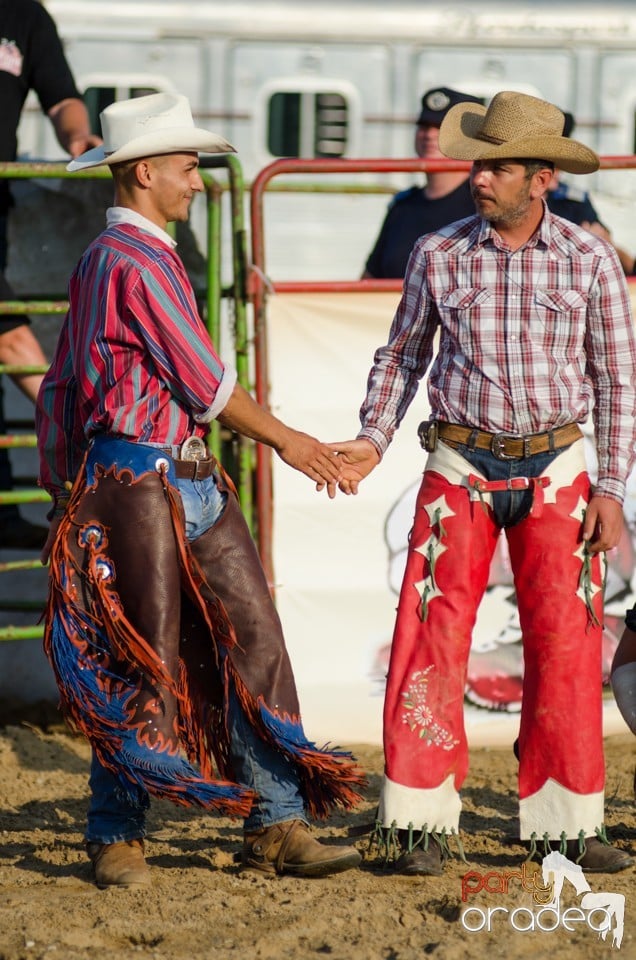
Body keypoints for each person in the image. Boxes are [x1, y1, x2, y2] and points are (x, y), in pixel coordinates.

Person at [35, 92, 364, 888]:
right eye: (186, 168)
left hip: (159, 473)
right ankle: (134, 829)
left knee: (216, 644)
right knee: (151, 653)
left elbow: (66, 387)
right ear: (145, 173)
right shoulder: (132, 263)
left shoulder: (123, 260)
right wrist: (294, 443)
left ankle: (262, 820)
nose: (196, 182)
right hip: (152, 478)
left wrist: (62, 483)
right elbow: (206, 382)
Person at [330, 91, 636, 876]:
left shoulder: (590, 257)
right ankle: (416, 824)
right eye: (479, 162)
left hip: (560, 464)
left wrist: (611, 487)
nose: (480, 177)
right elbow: (401, 356)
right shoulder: (438, 252)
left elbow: (619, 380)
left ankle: (566, 825)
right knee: (429, 636)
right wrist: (372, 437)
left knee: (567, 644)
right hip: (459, 461)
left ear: (541, 179)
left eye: (498, 166)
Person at [0, 0, 101, 549]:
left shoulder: (24, 16)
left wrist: (79, 141)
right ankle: (91, 455)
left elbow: (62, 96)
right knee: (13, 341)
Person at [362, 87, 483, 279]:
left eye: (442, 128)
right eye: (424, 125)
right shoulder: (403, 206)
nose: (429, 134)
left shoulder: (486, 206)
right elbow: (369, 280)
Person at [546, 111, 635, 274]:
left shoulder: (574, 200)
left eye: (559, 163)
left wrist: (602, 242)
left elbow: (605, 242)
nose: (556, 171)